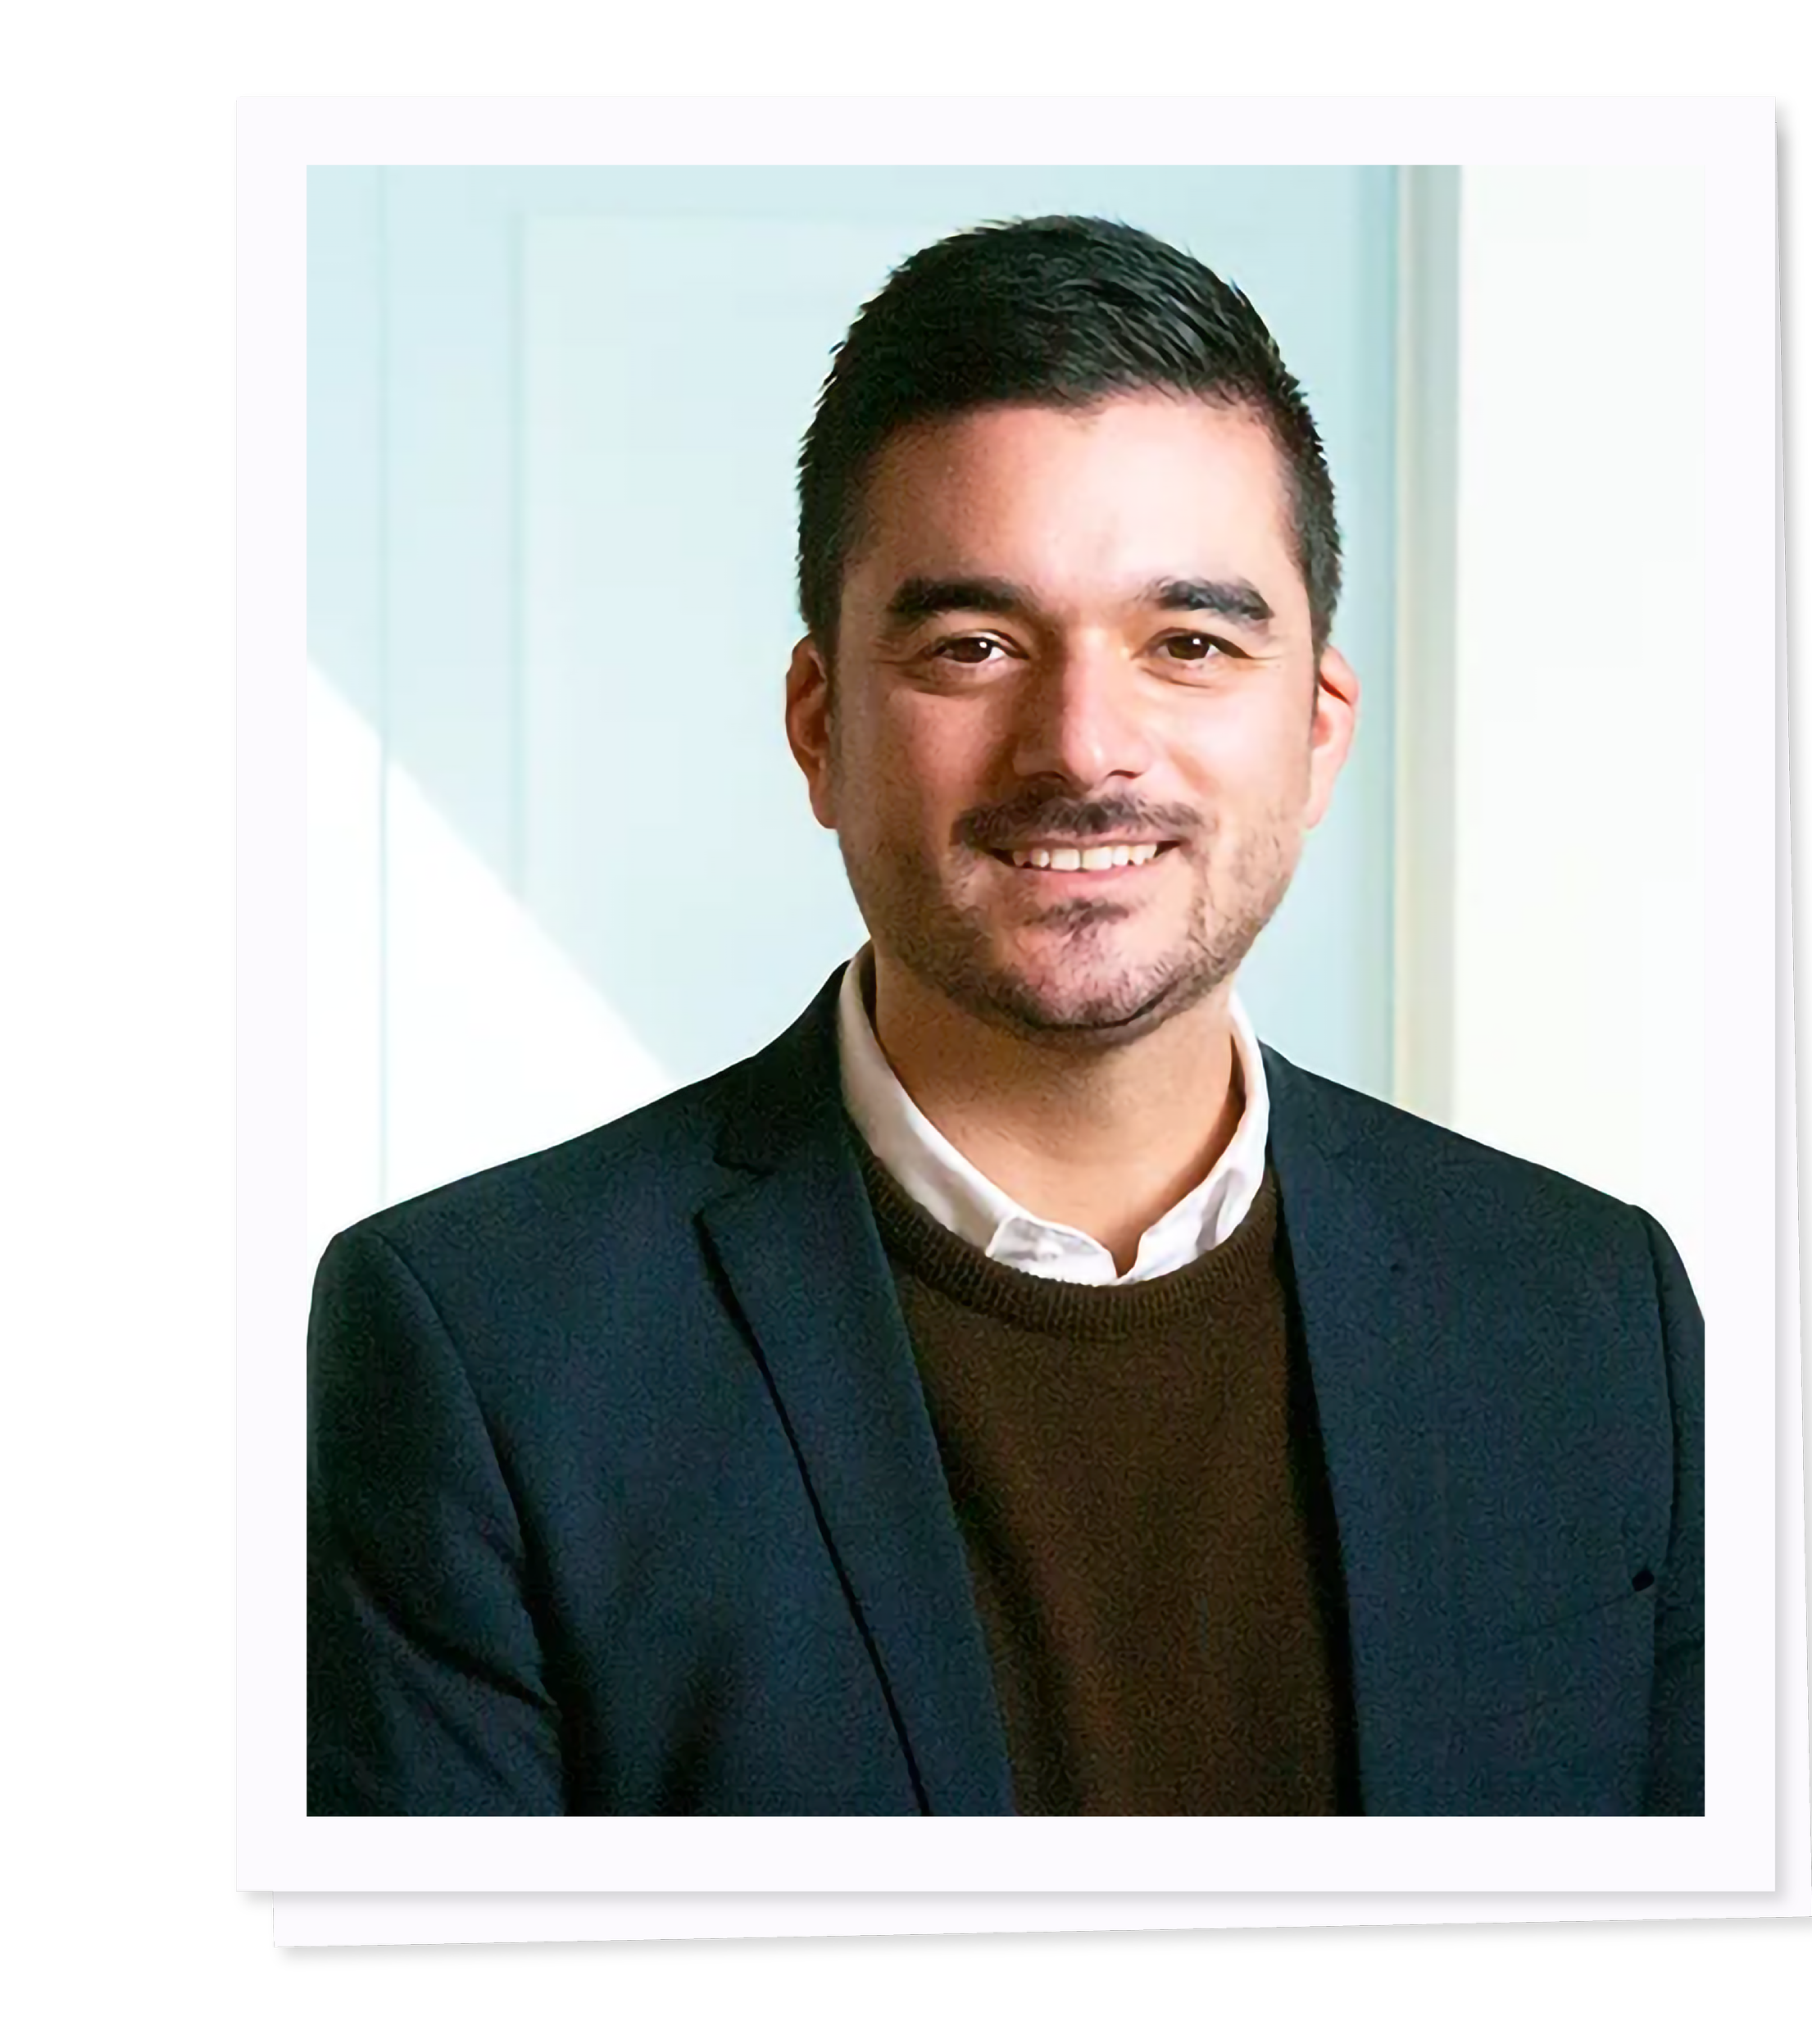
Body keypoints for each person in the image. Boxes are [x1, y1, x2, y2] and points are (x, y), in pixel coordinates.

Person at [307, 215, 1703, 1817]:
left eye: (1187, 641)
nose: (1083, 744)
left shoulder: (1594, 1318)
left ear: (1318, 731)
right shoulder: (481, 1348)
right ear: (817, 723)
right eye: (973, 644)